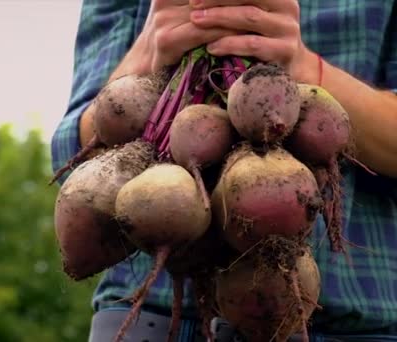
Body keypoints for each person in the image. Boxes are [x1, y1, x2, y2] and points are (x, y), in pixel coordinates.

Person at [51, 1, 397, 341]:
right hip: (143, 321)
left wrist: (303, 66)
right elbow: (75, 149)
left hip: (350, 325)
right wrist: (146, 55)